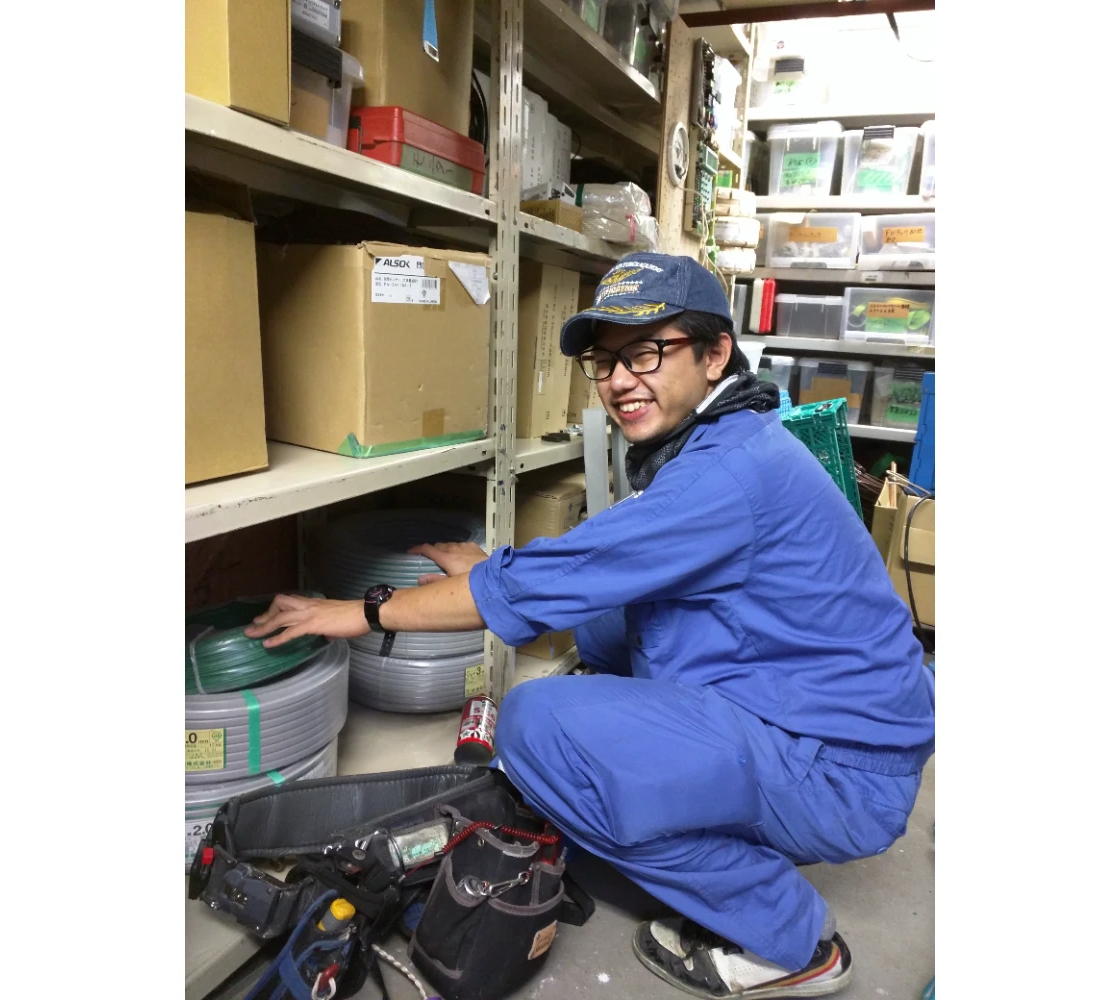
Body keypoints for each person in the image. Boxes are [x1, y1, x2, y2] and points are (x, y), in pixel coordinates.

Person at [246, 252, 935, 998]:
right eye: (604, 362)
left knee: (537, 725)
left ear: (715, 355)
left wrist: (359, 611)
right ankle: (712, 814)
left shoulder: (726, 474)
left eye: (646, 353)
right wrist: (499, 570)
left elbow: (556, 582)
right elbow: (599, 573)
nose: (619, 381)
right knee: (608, 630)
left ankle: (793, 941)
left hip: (840, 772)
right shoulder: (731, 440)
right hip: (826, 723)